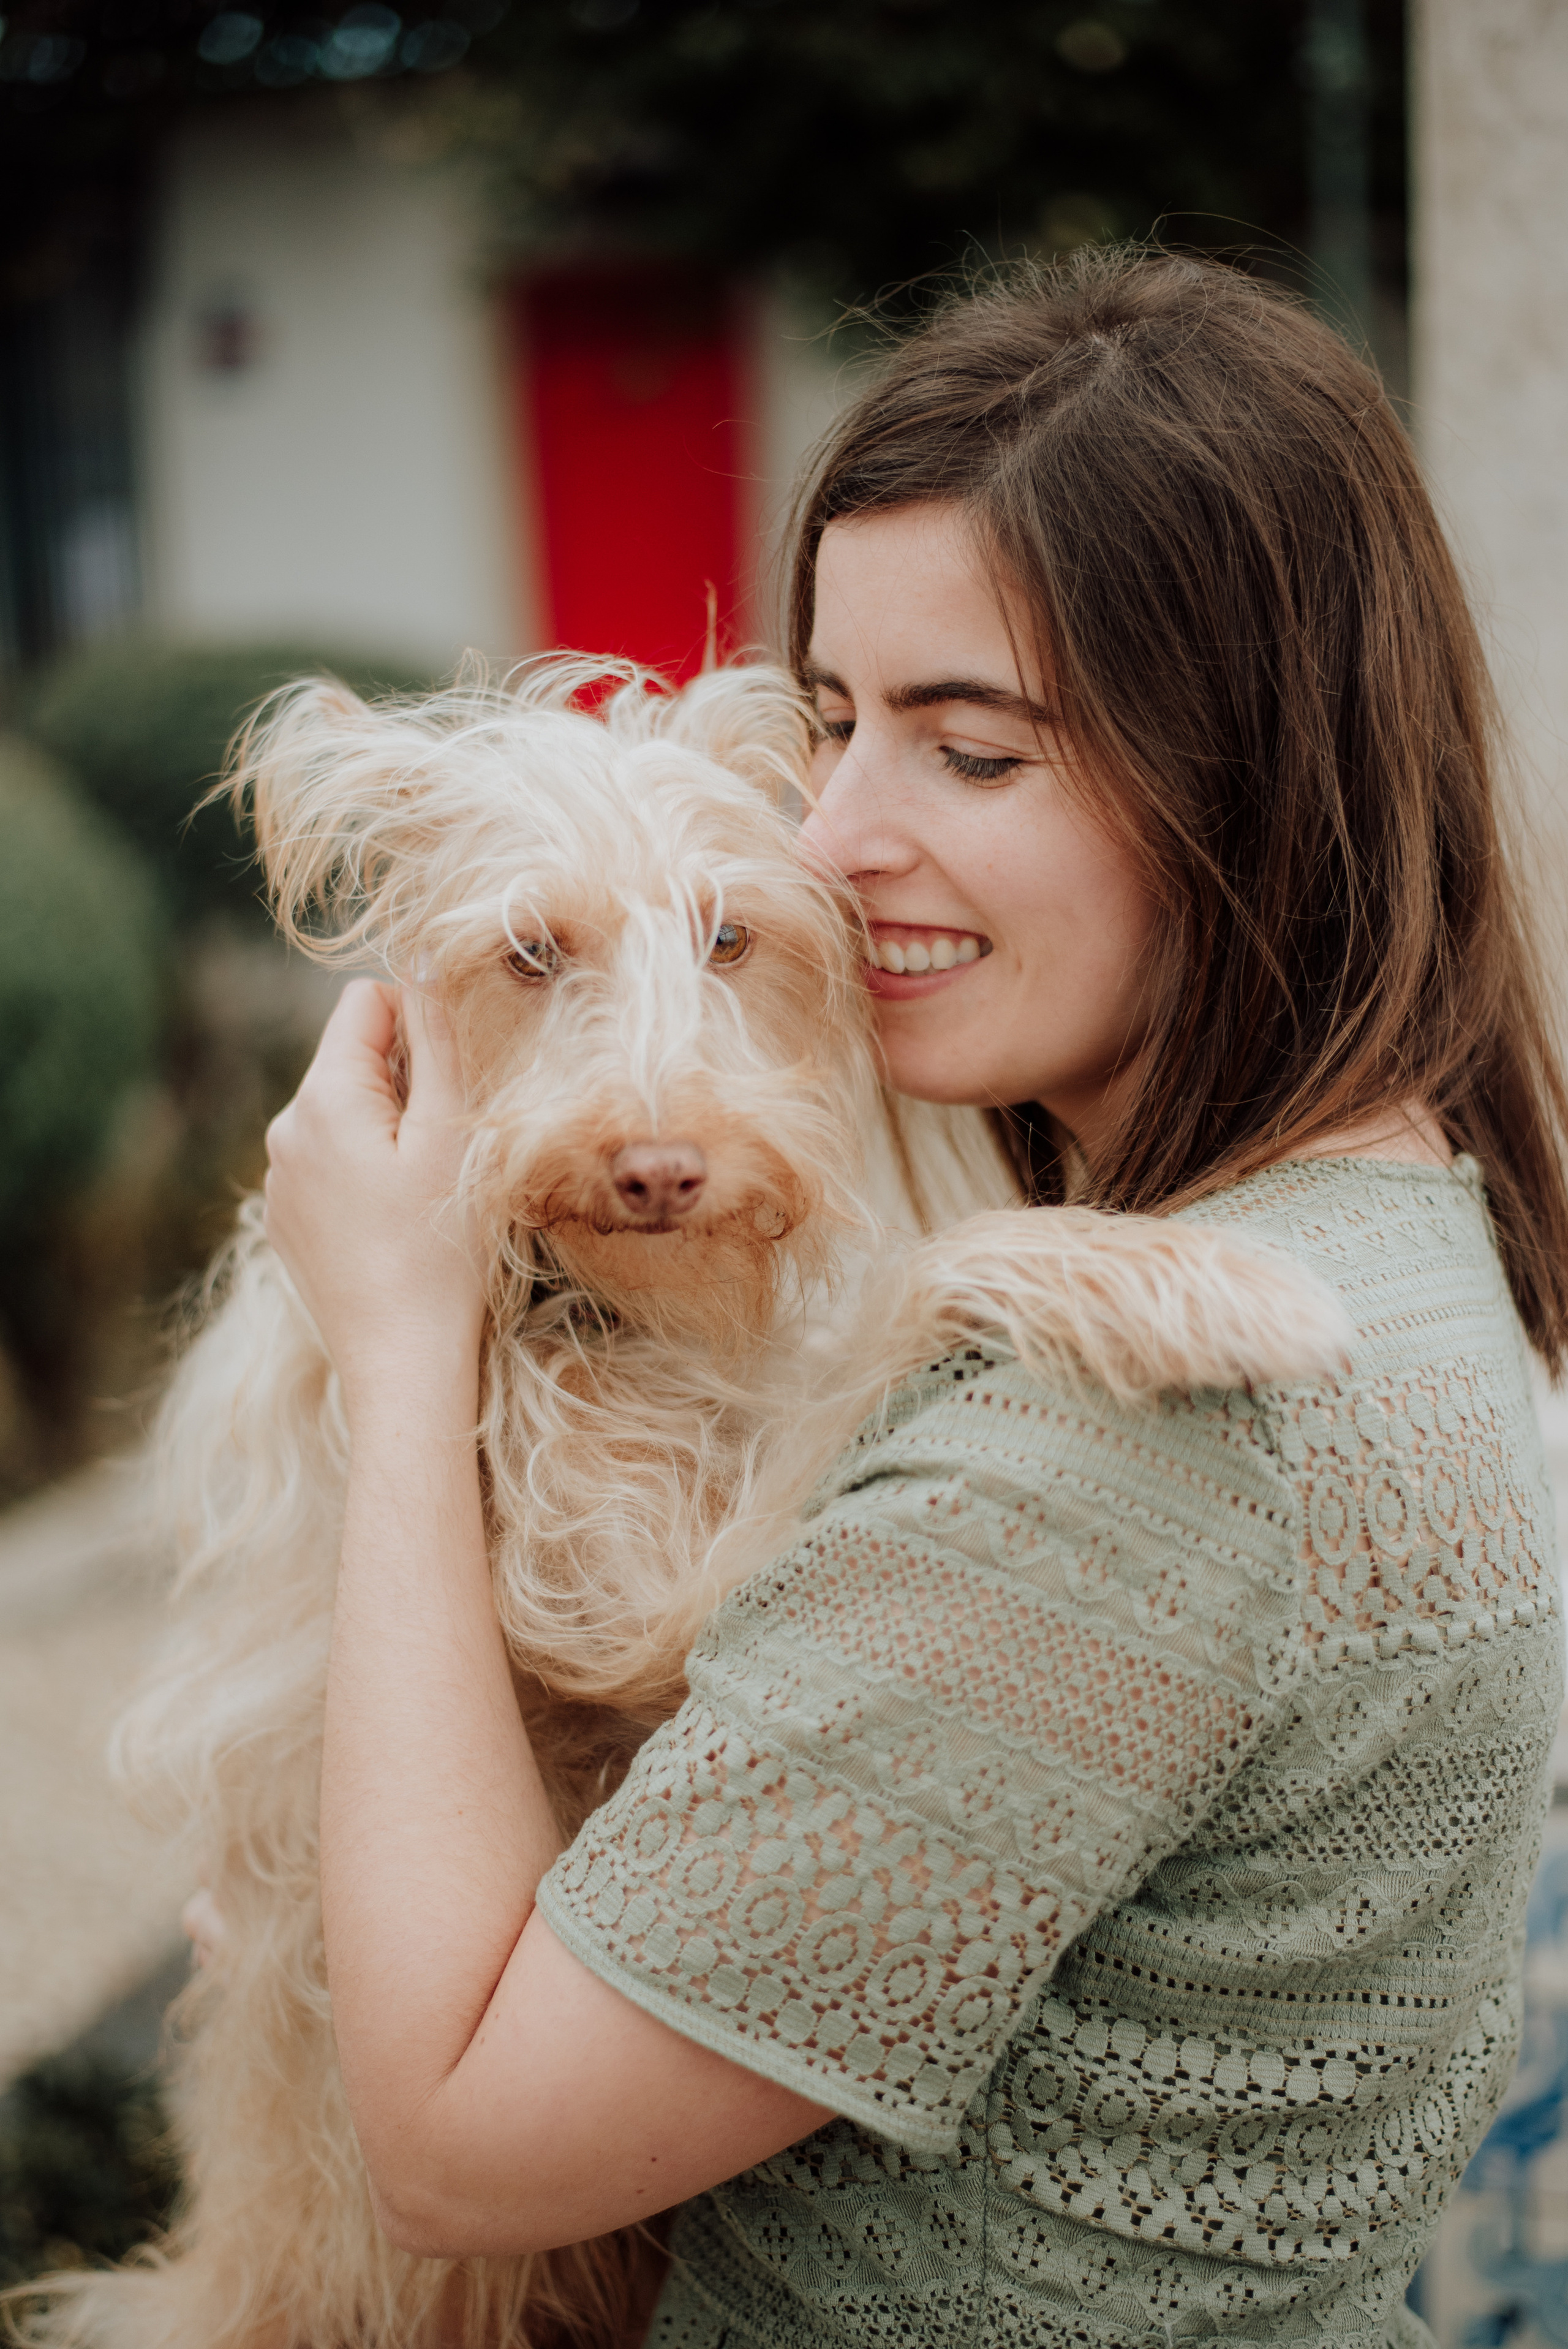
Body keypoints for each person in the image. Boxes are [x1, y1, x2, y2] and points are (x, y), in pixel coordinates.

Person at [255, 250, 1568, 2348]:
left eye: (974, 753)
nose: (836, 831)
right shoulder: (1402, 1229)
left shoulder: (1136, 1410)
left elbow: (460, 2144)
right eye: (838, 718)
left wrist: (407, 1346)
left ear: (1251, 776)